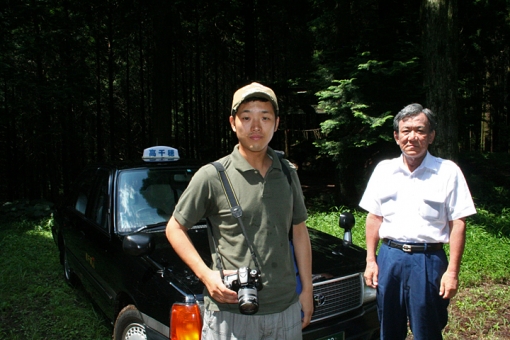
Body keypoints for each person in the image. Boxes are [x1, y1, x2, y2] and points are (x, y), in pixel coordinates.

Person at [166, 82, 313, 339]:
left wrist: (307, 289)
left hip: (286, 308)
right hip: (231, 312)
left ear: (276, 124)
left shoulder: (288, 173)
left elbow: (299, 231)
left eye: (265, 117)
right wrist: (207, 276)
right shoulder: (212, 176)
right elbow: (175, 228)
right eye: (246, 117)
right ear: (233, 123)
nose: (256, 126)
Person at [359, 103, 477, 340]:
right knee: (388, 329)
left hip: (428, 261)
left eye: (420, 130)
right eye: (406, 130)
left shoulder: (447, 172)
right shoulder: (384, 170)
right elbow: (374, 217)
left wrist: (452, 271)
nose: (412, 137)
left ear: (431, 136)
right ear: (396, 136)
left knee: (428, 329)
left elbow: (458, 224)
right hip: (390, 259)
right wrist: (371, 260)